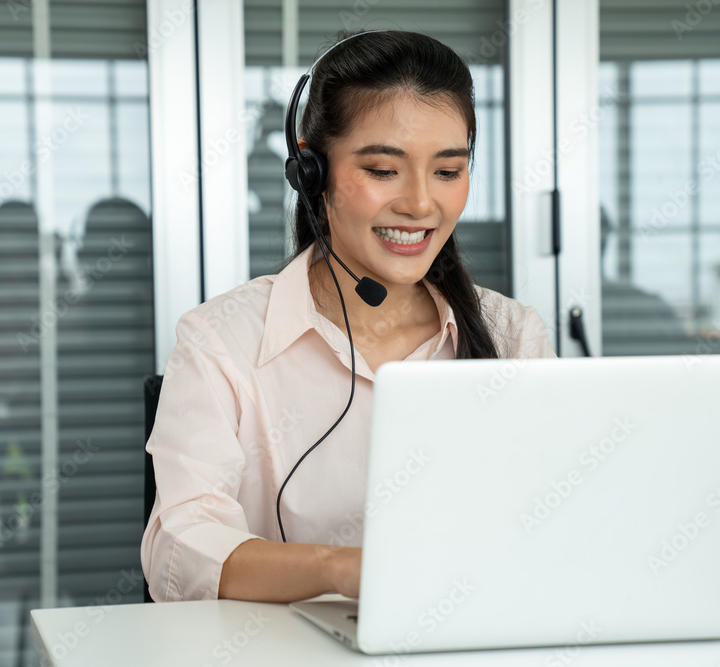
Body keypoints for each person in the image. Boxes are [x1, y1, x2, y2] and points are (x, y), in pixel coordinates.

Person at [141, 29, 556, 604]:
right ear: (311, 172)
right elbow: (181, 546)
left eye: (447, 170)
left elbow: (557, 526)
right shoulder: (222, 340)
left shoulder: (513, 337)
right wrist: (339, 569)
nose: (419, 203)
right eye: (383, 170)